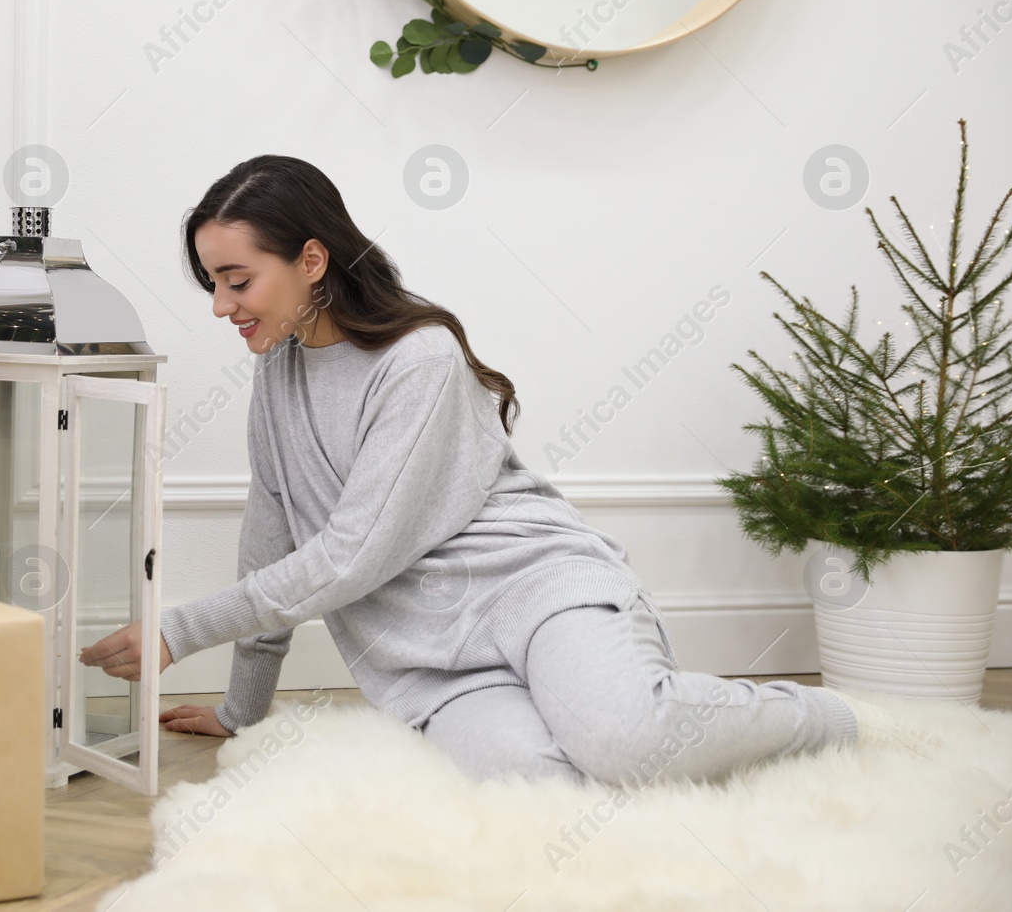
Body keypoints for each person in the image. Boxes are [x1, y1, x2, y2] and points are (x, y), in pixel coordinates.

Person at [78, 155, 940, 787]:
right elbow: (272, 531)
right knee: (546, 797)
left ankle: (826, 717)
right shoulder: (279, 372)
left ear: (311, 260)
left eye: (236, 280)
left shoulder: (417, 358)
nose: (222, 307)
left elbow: (349, 556)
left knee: (625, 742)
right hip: (432, 663)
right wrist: (243, 707)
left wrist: (178, 629)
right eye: (211, 285)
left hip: (531, 589)